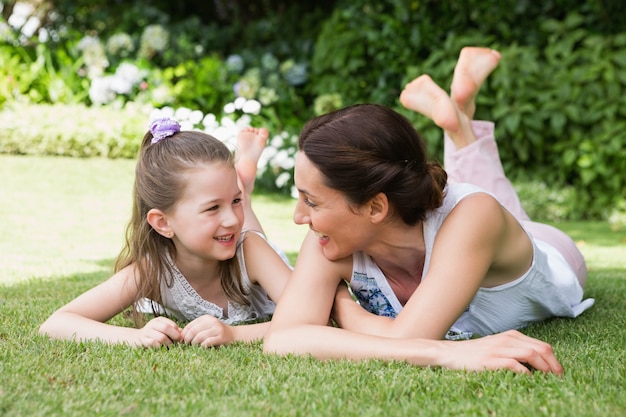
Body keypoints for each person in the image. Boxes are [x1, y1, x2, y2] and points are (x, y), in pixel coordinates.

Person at [263, 47, 593, 374]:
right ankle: (459, 116)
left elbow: (407, 339)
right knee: (476, 199)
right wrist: (449, 354)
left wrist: (342, 307)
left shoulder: (474, 217)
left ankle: (460, 123)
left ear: (376, 206)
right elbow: (283, 339)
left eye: (311, 200)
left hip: (551, 250)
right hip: (460, 227)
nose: (298, 217)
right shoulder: (330, 238)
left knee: (492, 204)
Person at [40, 120, 292, 348]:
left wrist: (234, 335)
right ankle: (241, 189)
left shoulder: (251, 250)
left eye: (232, 201)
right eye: (213, 207)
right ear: (162, 223)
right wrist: (135, 337)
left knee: (248, 230)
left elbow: (312, 317)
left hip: (250, 248)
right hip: (223, 241)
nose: (230, 217)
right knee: (236, 223)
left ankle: (243, 187)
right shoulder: (154, 270)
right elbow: (56, 324)